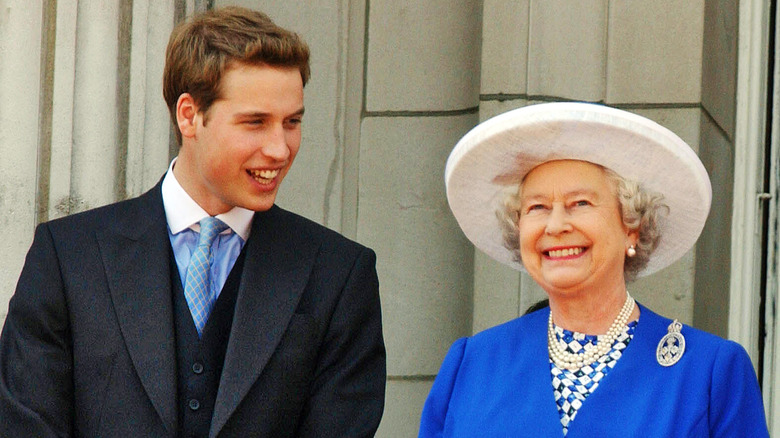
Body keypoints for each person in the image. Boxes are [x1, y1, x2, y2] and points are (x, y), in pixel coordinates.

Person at [0, 6, 385, 438]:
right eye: (255, 122)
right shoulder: (67, 257)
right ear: (189, 115)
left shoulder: (340, 274)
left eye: (291, 122)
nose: (280, 149)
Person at [418, 102, 768, 437]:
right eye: (537, 207)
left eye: (579, 203)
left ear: (631, 224)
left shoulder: (709, 373)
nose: (555, 225)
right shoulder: (471, 365)